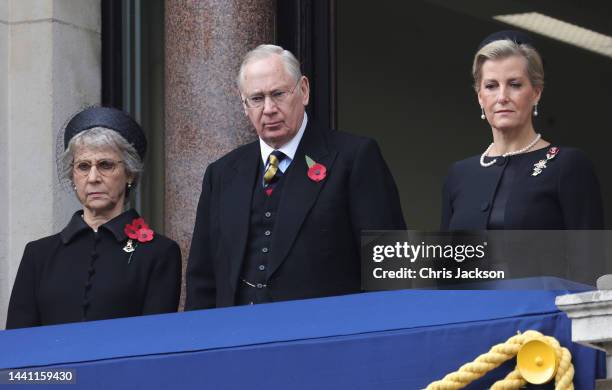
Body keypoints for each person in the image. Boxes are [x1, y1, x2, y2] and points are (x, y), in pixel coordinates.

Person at [186, 44, 405, 309]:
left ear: (304, 91)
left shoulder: (354, 157)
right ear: (243, 104)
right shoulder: (221, 174)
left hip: (324, 337)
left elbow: (390, 268)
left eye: (278, 94)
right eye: (256, 98)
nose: (268, 108)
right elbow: (203, 280)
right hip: (237, 338)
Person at [440, 31, 604, 284]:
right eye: (491, 86)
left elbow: (590, 269)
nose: (502, 96)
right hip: (472, 317)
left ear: (536, 92)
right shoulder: (458, 174)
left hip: (540, 319)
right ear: (479, 96)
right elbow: (447, 273)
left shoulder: (567, 164)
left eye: (515, 84)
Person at [6, 107, 181, 329]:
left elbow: (155, 341)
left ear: (130, 173)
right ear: (73, 177)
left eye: (105, 165)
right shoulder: (38, 255)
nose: (93, 177)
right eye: (83, 166)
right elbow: (19, 346)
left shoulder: (159, 253)